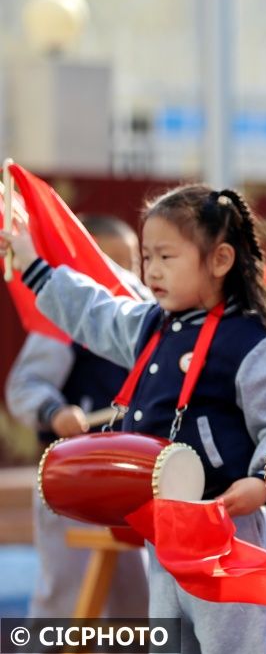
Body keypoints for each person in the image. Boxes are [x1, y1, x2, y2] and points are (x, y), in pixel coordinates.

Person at [1, 186, 266, 653]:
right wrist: (31, 263)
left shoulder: (252, 342)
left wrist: (262, 482)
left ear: (220, 259)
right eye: (147, 257)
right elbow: (94, 311)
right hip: (167, 531)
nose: (150, 271)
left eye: (165, 256)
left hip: (231, 528)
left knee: (243, 645)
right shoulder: (153, 325)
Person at [5, 214, 149, 619]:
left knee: (137, 607)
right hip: (72, 481)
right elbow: (24, 386)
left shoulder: (150, 318)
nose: (125, 273)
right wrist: (54, 412)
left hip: (135, 481)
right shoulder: (63, 319)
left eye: (132, 262)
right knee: (66, 605)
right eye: (110, 262)